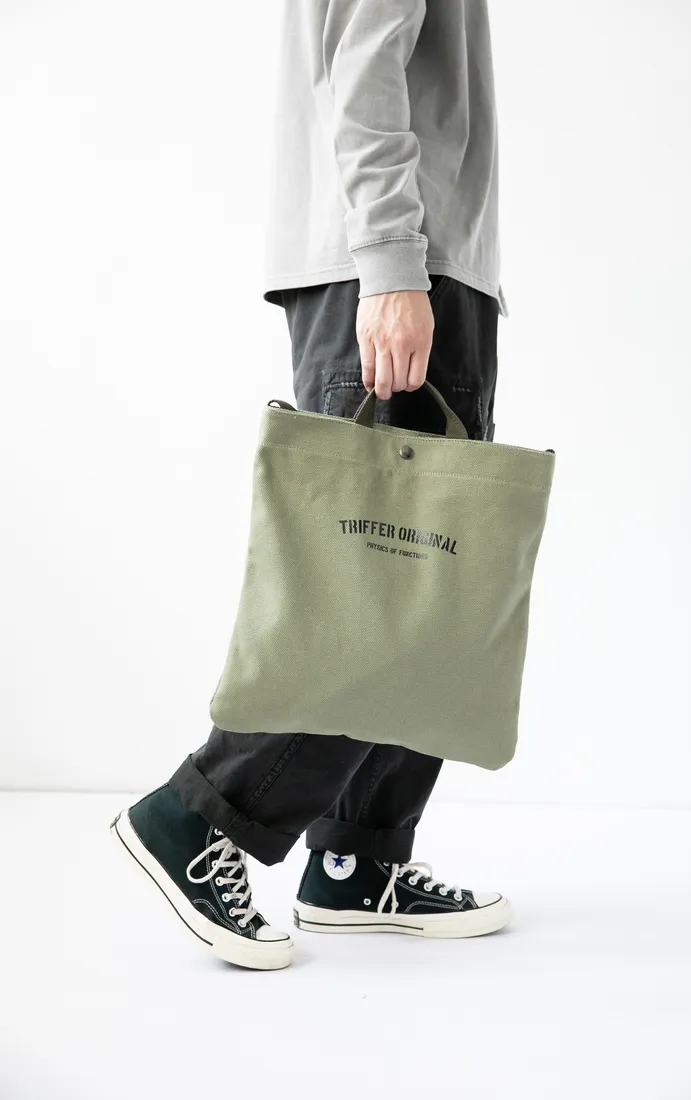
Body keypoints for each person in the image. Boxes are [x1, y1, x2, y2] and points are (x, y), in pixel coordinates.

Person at [112, 0, 513, 971]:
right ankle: (198, 815)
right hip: (397, 264)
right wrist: (390, 265)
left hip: (421, 263)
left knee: (426, 602)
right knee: (365, 602)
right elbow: (362, 66)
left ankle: (356, 860)